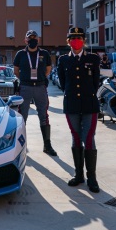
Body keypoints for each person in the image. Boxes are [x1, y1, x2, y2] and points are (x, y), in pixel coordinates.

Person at [57, 27, 101, 193]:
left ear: (84, 40)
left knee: (89, 138)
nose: (76, 41)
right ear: (68, 41)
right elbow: (63, 83)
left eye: (79, 38)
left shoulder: (93, 59)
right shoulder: (63, 60)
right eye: (73, 38)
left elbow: (96, 82)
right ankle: (79, 175)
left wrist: (87, 95)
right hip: (72, 104)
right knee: (76, 137)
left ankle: (92, 178)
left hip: (89, 104)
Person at [13, 30, 57, 156]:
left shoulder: (44, 53)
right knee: (23, 116)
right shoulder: (20, 54)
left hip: (40, 87)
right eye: (29, 38)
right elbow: (16, 71)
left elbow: (48, 69)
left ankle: (47, 145)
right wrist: (25, 79)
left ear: (38, 39)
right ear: (25, 40)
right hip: (25, 87)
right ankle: (21, 146)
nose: (32, 39)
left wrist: (39, 78)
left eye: (34, 37)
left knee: (44, 115)